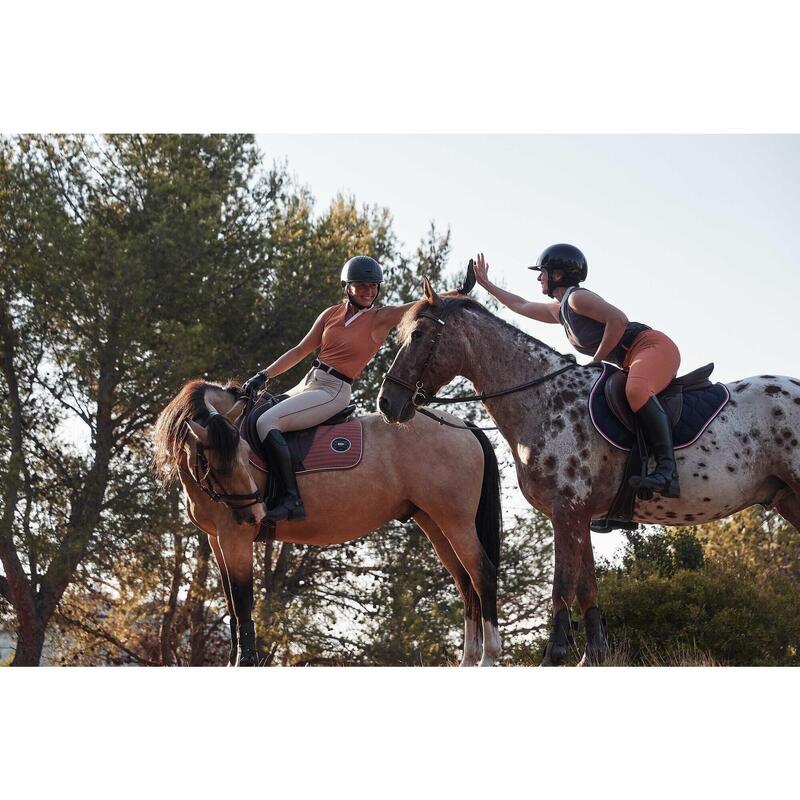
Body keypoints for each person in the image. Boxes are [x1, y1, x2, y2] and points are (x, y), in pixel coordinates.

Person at [473, 244, 682, 498]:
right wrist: (487, 285)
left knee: (636, 390)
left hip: (651, 347)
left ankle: (668, 471)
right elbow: (521, 304)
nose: (539, 278)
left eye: (543, 272)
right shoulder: (560, 310)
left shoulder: (576, 298)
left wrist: (596, 361)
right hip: (631, 358)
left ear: (558, 275)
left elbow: (618, 320)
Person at [241, 255, 417, 521]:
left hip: (333, 391)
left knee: (268, 422)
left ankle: (292, 500)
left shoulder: (380, 318)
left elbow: (422, 304)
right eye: (362, 286)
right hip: (309, 382)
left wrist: (459, 292)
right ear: (348, 287)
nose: (369, 292)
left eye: (374, 286)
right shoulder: (331, 314)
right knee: (253, 415)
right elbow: (300, 350)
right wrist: (263, 375)